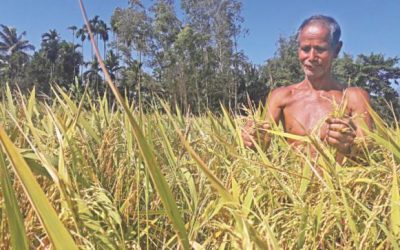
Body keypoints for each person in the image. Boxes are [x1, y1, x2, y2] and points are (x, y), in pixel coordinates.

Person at [241, 15, 373, 159]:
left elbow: (366, 157)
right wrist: (252, 139)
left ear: (336, 50)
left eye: (320, 49)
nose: (311, 57)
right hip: (294, 180)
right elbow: (262, 144)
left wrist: (349, 146)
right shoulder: (280, 96)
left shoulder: (353, 98)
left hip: (339, 181)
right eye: (305, 49)